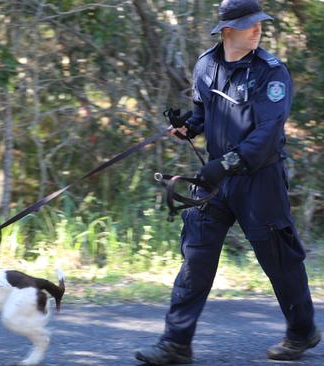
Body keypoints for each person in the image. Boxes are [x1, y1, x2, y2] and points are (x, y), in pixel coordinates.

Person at [135, 0, 320, 364]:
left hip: (259, 181)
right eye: (250, 24)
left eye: (260, 23)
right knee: (195, 258)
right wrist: (188, 125)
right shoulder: (206, 65)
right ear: (227, 30)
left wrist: (227, 164)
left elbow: (268, 133)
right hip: (215, 183)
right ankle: (176, 343)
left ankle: (301, 332)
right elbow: (205, 111)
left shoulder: (272, 72)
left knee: (280, 261)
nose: (258, 29)